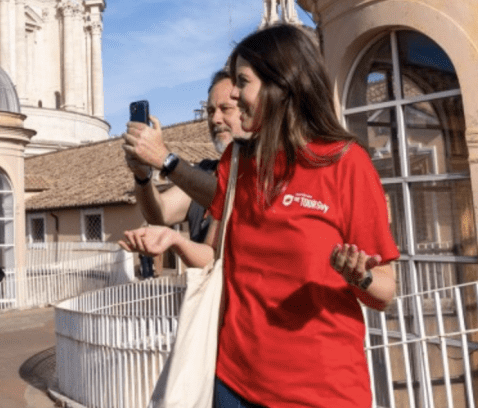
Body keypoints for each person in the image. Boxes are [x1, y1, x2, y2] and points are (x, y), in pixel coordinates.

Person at [121, 24, 398, 408]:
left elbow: (385, 290)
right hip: (233, 384)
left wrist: (359, 275)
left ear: (281, 86)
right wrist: (152, 175)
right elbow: (194, 203)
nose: (232, 94)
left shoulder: (345, 164)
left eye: (242, 82)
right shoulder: (238, 162)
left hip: (320, 393)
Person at [123, 70, 244, 243]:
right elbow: (161, 214)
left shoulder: (264, 171)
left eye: (225, 109)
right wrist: (142, 176)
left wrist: (165, 159)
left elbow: (228, 198)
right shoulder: (205, 170)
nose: (215, 119)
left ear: (248, 111)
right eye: (210, 111)